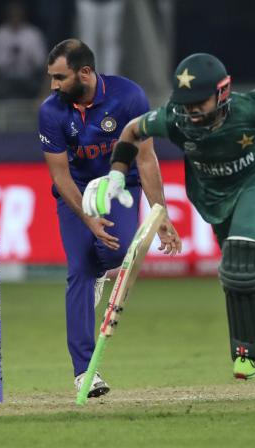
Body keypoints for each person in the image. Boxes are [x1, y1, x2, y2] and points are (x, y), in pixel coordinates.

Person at [82, 53, 255, 379]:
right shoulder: (174, 118)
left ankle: (248, 352)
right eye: (186, 102)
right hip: (214, 202)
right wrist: (116, 174)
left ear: (222, 93)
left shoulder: (253, 107)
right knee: (243, 272)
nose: (192, 110)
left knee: (240, 262)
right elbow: (130, 131)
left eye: (200, 101)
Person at [38, 39, 181, 397]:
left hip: (120, 187)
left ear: (84, 72)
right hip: (77, 192)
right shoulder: (51, 111)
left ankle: (103, 269)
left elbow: (146, 159)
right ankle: (85, 371)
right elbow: (60, 176)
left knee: (117, 254)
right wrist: (87, 220)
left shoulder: (128, 96)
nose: (53, 86)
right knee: (79, 271)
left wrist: (159, 212)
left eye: (59, 77)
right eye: (51, 78)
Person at [0, 1, 46, 99]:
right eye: (12, 15)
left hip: (29, 78)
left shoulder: (33, 34)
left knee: (39, 88)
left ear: (23, 15)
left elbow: (41, 62)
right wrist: (10, 57)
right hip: (5, 79)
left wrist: (28, 56)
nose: (15, 17)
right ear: (7, 15)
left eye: (18, 15)